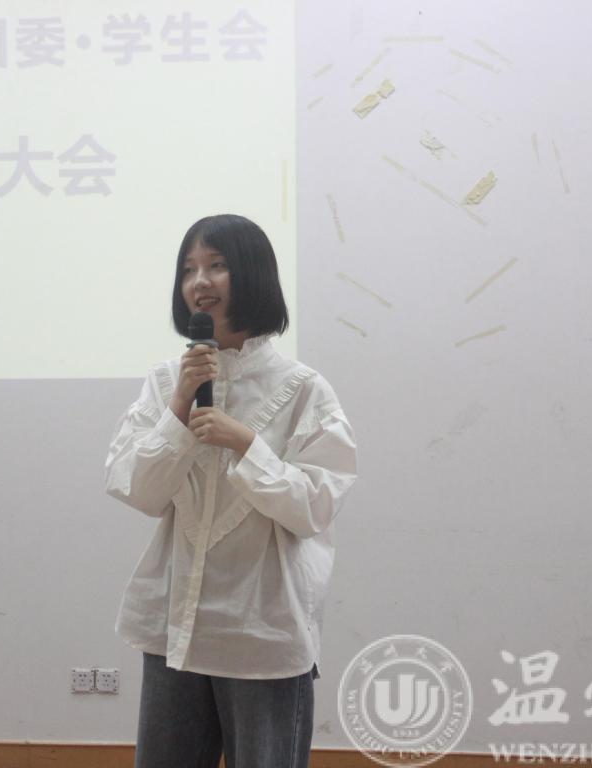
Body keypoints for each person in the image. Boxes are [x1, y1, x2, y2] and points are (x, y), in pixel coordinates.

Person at [104, 214, 358, 768]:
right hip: (175, 629)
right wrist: (179, 406)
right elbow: (136, 489)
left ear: (252, 274)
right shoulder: (164, 382)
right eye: (188, 269)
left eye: (216, 265)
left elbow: (315, 506)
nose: (199, 281)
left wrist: (246, 444)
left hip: (261, 633)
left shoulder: (303, 389)